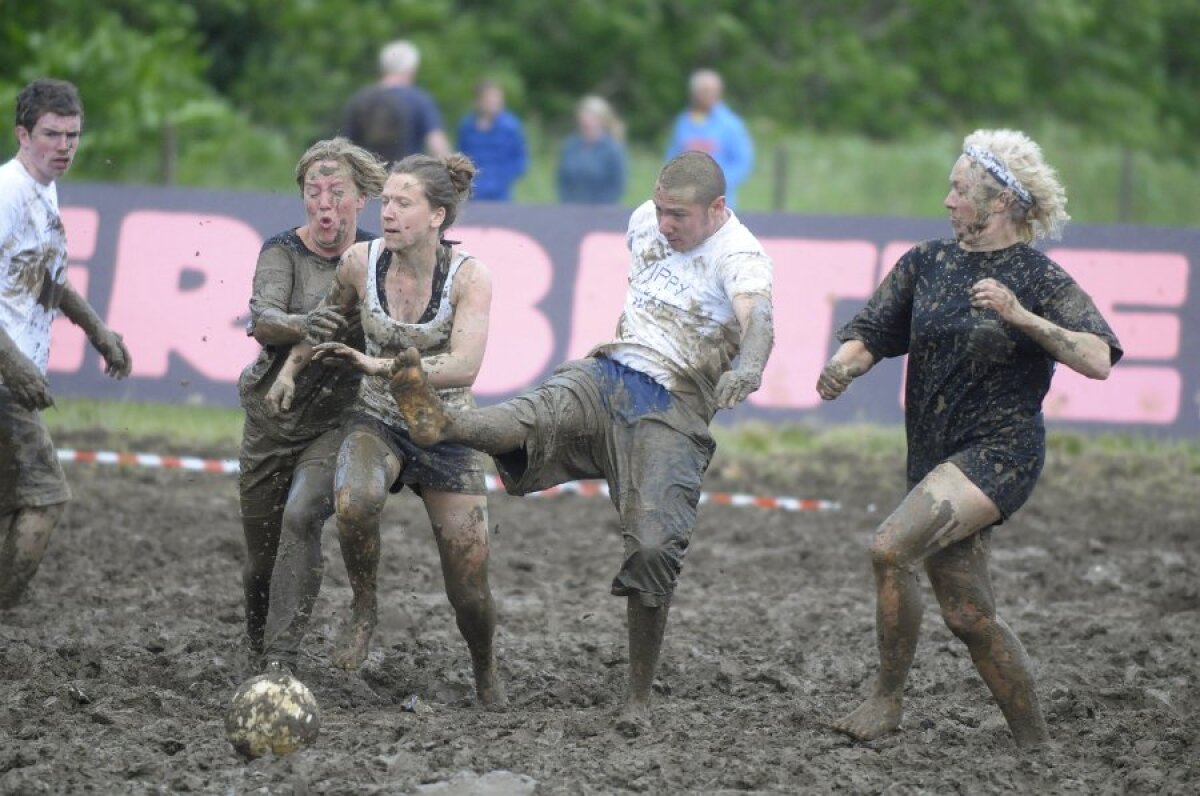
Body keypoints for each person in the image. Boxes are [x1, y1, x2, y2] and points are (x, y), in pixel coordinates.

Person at [384, 151, 774, 731]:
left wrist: (750, 366)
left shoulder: (742, 257)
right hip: (609, 372)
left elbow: (757, 318)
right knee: (532, 412)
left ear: (717, 209)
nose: (665, 224)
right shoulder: (643, 219)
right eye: (661, 209)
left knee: (652, 547)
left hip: (673, 407)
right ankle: (443, 424)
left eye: (680, 216)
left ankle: (637, 698)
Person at [817, 129, 1123, 749]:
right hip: (934, 457)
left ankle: (886, 701)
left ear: (1001, 202)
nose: (949, 200)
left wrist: (1020, 316)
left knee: (889, 549)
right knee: (969, 615)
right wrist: (846, 364)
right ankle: (1036, 745)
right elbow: (873, 330)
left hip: (999, 454)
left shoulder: (1036, 277)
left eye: (961, 189)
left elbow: (1098, 359)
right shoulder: (926, 263)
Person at [264, 153, 505, 707]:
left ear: (438, 216)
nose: (389, 214)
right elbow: (323, 322)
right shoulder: (359, 261)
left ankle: (485, 669)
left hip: (444, 427)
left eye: (404, 203)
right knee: (355, 499)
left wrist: (381, 365)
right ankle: (364, 607)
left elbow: (465, 365)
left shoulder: (470, 277)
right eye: (387, 202)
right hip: (376, 419)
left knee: (467, 587)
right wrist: (289, 371)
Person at [237, 137, 387, 662]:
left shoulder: (376, 258)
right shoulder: (282, 251)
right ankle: (257, 649)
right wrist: (303, 323)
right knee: (260, 558)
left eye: (336, 191)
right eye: (313, 191)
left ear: (361, 198)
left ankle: (281, 657)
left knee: (302, 515)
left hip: (337, 421)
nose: (325, 203)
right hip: (271, 418)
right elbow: (262, 318)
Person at [0, 79, 131, 608]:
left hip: (16, 371)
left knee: (12, 502)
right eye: (52, 134)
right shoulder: (7, 193)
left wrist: (98, 331)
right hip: (6, 376)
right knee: (46, 498)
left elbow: (46, 279)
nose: (64, 146)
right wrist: (14, 366)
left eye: (72, 135)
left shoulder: (43, 190)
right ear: (22, 134)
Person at [341, 40, 450, 164]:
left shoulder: (359, 99)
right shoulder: (418, 100)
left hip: (367, 179)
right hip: (406, 178)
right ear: (412, 69)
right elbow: (436, 144)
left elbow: (346, 148)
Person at [665, 69, 753, 208]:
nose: (709, 95)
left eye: (713, 91)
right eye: (704, 90)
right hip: (685, 201)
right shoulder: (683, 122)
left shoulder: (730, 124)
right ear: (694, 93)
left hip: (719, 202)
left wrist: (719, 185)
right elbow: (672, 156)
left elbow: (742, 161)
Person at [456, 80, 526, 202]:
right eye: (490, 100)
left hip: (500, 196)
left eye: (498, 100)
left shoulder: (510, 127)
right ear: (478, 101)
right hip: (473, 195)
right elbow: (460, 158)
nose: (495, 104)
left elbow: (520, 159)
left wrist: (503, 178)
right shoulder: (467, 127)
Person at [556, 95, 627, 205]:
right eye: (584, 116)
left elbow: (617, 185)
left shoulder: (613, 149)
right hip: (570, 210)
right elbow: (562, 180)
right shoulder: (570, 146)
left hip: (601, 212)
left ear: (602, 120)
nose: (586, 120)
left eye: (592, 117)